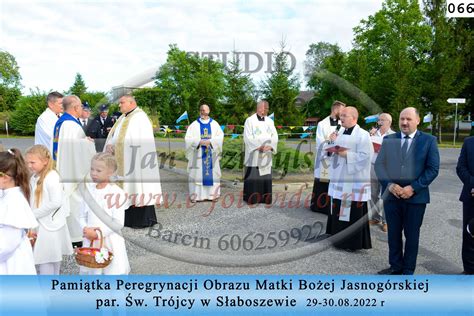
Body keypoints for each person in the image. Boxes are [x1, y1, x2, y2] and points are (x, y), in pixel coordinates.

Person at [375, 107, 440, 275]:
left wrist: (413, 187)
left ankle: (408, 271)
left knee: (412, 236)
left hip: (415, 198)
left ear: (417, 120)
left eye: (409, 119)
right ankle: (395, 267)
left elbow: (432, 169)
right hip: (392, 196)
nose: (404, 122)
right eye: (402, 119)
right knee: (393, 234)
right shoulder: (389, 139)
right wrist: (389, 185)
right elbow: (380, 165)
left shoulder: (429, 140)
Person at [104, 95, 163, 228]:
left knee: (138, 188)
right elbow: (117, 136)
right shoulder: (123, 117)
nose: (119, 105)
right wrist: (110, 144)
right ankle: (127, 218)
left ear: (131, 103)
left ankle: (142, 220)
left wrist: (117, 146)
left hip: (136, 162)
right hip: (123, 161)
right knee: (127, 189)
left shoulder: (139, 118)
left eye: (122, 103)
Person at [323, 106, 373, 251]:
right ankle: (337, 237)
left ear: (354, 118)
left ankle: (352, 242)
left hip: (353, 180)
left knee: (352, 210)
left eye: (344, 115)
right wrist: (331, 143)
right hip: (339, 177)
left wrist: (346, 154)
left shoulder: (363, 135)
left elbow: (365, 157)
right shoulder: (338, 133)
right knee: (338, 207)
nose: (341, 118)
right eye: (341, 116)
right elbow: (328, 154)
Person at [53, 95, 96, 247]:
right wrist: (89, 144)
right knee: (76, 200)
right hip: (73, 170)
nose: (82, 110)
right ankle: (75, 236)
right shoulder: (72, 126)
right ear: (75, 108)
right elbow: (78, 152)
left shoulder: (62, 122)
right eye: (80, 107)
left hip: (65, 167)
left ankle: (70, 234)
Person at [79, 153, 130, 275]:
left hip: (109, 240)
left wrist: (97, 234)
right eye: (92, 169)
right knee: (92, 271)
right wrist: (85, 229)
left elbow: (118, 223)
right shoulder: (88, 190)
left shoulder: (116, 193)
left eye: (99, 170)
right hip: (90, 240)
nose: (94, 173)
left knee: (110, 273)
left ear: (110, 173)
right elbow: (81, 215)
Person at [25, 145, 73, 275]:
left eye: (32, 162)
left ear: (45, 161)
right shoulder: (35, 177)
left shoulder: (52, 177)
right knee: (47, 257)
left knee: (48, 258)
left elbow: (56, 202)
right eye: (28, 162)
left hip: (50, 225)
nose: (29, 166)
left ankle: (48, 290)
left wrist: (33, 214)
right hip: (41, 223)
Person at [0, 148, 38, 274]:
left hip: (11, 264)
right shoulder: (7, 194)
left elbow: (6, 245)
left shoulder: (14, 202)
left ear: (4, 177)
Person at [310, 100, 345, 215]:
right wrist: (329, 142)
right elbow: (319, 142)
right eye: (341, 110)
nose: (343, 113)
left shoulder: (343, 124)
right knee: (323, 182)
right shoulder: (322, 124)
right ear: (335, 109)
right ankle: (320, 206)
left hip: (337, 158)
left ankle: (334, 206)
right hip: (325, 158)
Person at [185, 104, 224, 202]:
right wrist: (199, 142)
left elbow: (220, 137)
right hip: (198, 154)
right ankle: (197, 196)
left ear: (209, 111)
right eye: (201, 110)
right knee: (197, 173)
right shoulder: (194, 125)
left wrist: (211, 142)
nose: (203, 112)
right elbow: (188, 139)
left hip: (211, 152)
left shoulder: (215, 124)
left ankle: (212, 195)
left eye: (204, 110)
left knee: (213, 173)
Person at [243, 100, 278, 205]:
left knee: (265, 175)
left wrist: (270, 146)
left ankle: (265, 198)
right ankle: (252, 198)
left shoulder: (270, 121)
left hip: (266, 153)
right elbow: (247, 137)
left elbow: (275, 136)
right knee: (254, 174)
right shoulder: (250, 121)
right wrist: (259, 146)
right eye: (265, 108)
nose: (267, 110)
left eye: (267, 108)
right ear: (259, 108)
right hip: (254, 154)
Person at [368, 113, 395, 232]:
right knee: (373, 194)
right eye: (379, 120)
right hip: (373, 167)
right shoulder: (372, 133)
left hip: (386, 169)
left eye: (382, 120)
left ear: (389, 122)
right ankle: (375, 217)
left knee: (385, 195)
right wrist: (369, 136)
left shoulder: (394, 135)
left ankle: (386, 221)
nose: (379, 122)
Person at [456, 136, 474, 274]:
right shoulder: (469, 142)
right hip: (471, 196)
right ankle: (468, 271)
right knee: (469, 236)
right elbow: (461, 167)